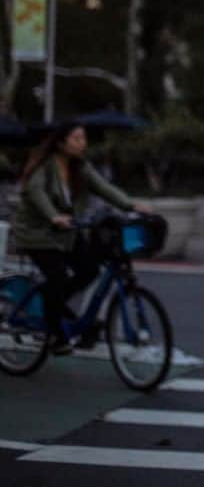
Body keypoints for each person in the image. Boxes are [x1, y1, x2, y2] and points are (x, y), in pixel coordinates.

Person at [11, 123, 152, 354]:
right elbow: (37, 194)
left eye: (83, 138)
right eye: (76, 138)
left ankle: (52, 302)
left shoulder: (80, 167)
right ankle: (55, 332)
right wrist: (54, 216)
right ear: (61, 142)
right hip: (37, 233)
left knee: (89, 270)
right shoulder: (43, 168)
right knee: (56, 278)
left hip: (65, 232)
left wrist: (131, 205)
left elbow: (104, 188)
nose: (82, 143)